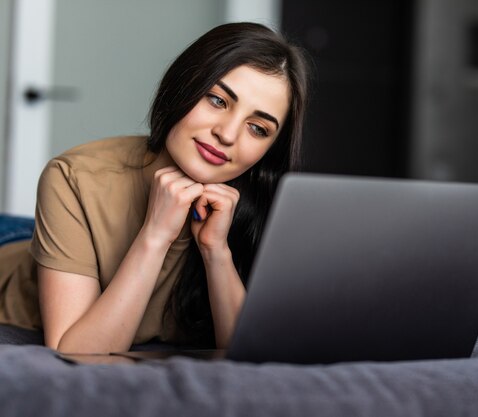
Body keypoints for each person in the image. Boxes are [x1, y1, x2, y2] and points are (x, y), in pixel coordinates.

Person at [0, 22, 310, 354]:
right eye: (218, 101)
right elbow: (76, 352)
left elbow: (250, 358)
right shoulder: (75, 177)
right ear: (182, 88)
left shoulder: (264, 207)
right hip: (16, 251)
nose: (228, 134)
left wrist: (216, 252)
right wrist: (156, 234)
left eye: (257, 128)